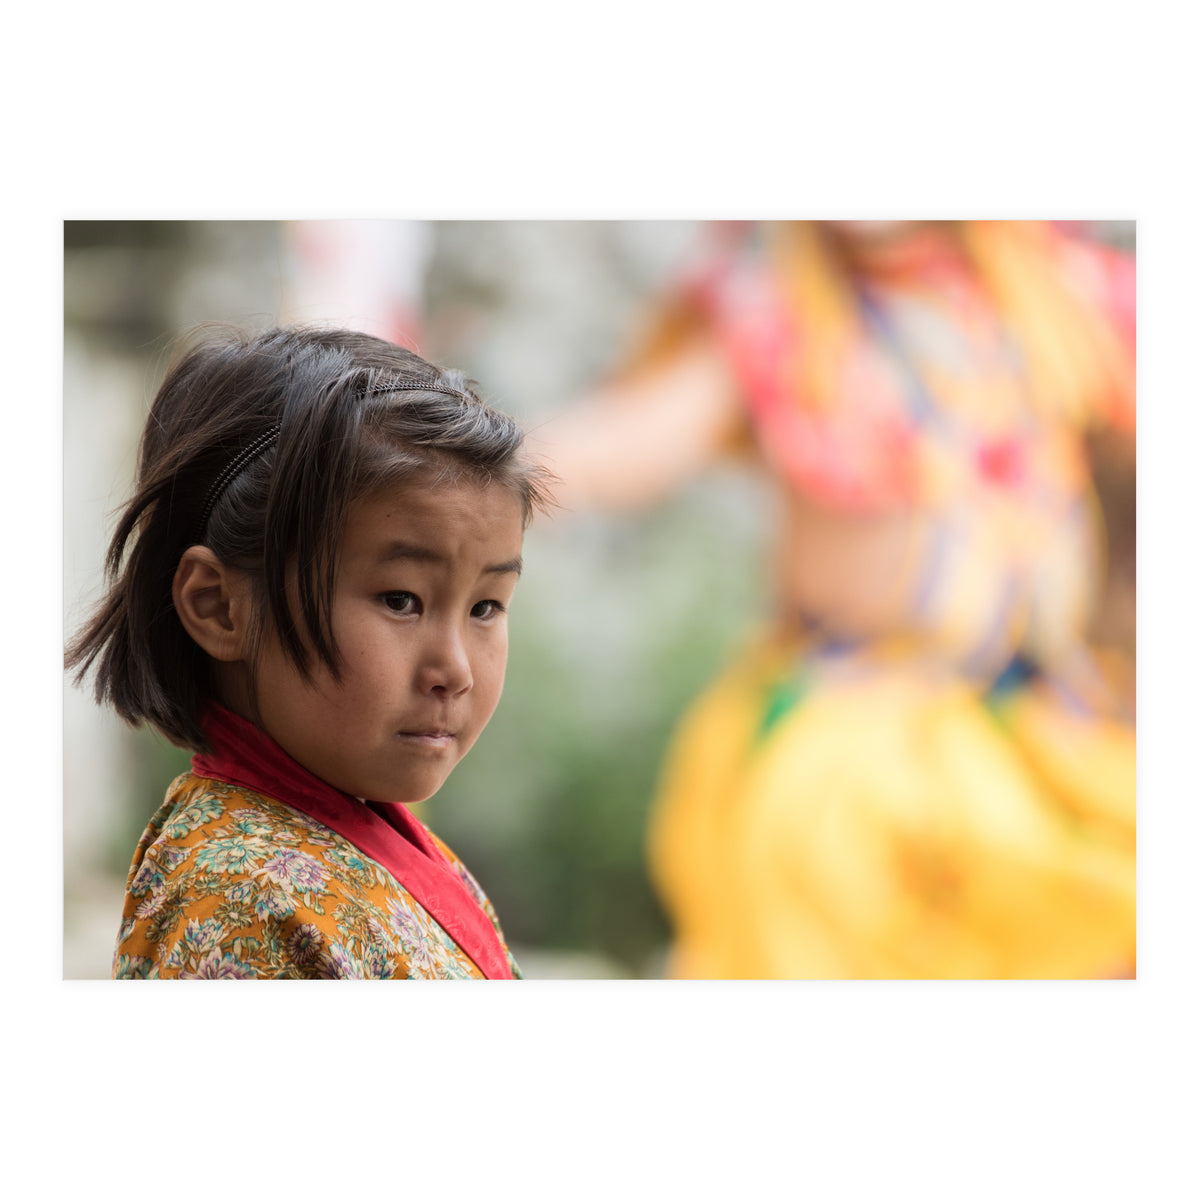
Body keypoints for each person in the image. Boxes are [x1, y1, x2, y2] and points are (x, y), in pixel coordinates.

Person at [535, 220, 1136, 979]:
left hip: (1042, 730)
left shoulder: (1056, 300)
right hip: (854, 743)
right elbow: (623, 446)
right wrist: (468, 476)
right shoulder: (774, 315)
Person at [66, 326, 552, 979]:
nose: (456, 670)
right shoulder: (236, 904)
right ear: (218, 606)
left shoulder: (370, 833)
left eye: (485, 607)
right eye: (401, 600)